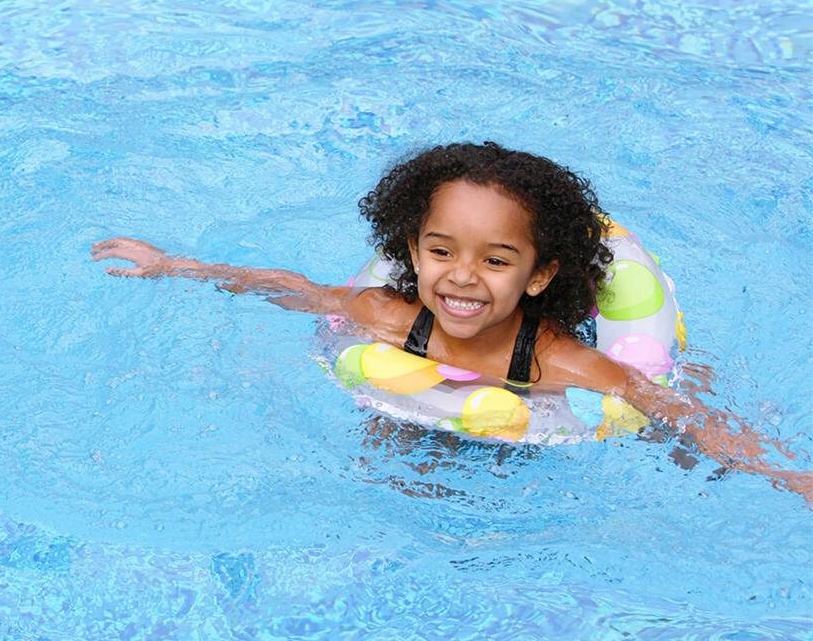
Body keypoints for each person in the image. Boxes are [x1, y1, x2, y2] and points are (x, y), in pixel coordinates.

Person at [91, 141, 812, 501]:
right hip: (424, 395)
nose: (462, 277)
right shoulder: (385, 313)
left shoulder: (560, 360)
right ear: (413, 250)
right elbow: (292, 289)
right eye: (441, 252)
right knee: (385, 459)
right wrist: (175, 266)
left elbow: (661, 402)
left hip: (540, 434)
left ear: (539, 275)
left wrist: (784, 473)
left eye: (496, 261)